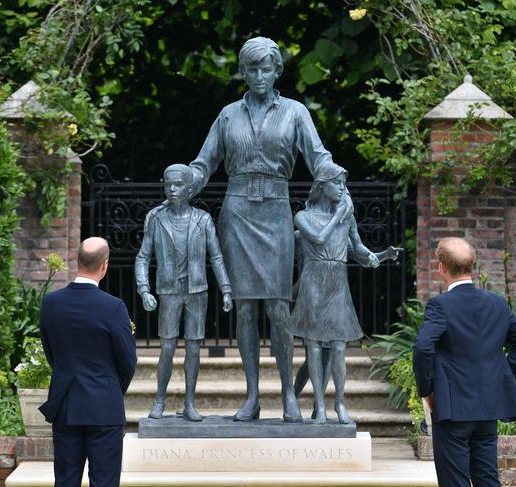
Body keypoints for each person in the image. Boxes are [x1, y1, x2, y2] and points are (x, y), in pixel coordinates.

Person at [175, 36, 354, 423]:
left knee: (278, 306)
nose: (258, 75)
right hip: (237, 214)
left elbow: (318, 157)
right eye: (251, 68)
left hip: (275, 213)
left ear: (277, 71)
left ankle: (289, 393)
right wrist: (182, 183)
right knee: (244, 309)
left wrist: (340, 186)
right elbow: (204, 163)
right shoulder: (228, 115)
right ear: (243, 71)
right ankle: (252, 396)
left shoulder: (294, 112)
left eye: (265, 68)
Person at [413, 237, 516, 487]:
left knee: (454, 482)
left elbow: (423, 347)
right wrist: (502, 376)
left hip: (452, 410)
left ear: (441, 267)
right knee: (487, 479)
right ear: (473, 265)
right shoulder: (497, 303)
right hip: (487, 407)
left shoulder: (440, 305)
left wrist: (427, 391)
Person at [289, 163, 401, 424]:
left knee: (339, 346)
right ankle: (319, 407)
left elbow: (359, 250)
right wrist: (339, 215)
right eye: (336, 183)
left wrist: (382, 255)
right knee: (314, 346)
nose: (341, 188)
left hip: (337, 282)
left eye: (343, 183)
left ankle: (339, 402)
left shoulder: (346, 218)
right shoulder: (303, 217)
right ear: (321, 186)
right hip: (313, 282)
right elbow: (317, 238)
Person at [135, 164, 233, 421]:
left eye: (178, 185)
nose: (172, 189)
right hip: (169, 291)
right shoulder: (156, 219)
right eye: (168, 185)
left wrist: (225, 288)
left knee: (193, 348)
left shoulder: (202, 220)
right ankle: (160, 400)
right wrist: (144, 290)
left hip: (197, 291)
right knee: (167, 347)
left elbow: (217, 257)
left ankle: (190, 403)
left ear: (190, 189)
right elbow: (143, 257)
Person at [39, 237, 137, 487]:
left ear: (77, 261)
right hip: (104, 407)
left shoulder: (51, 303)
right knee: (104, 482)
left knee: (66, 482)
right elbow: (127, 361)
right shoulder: (113, 307)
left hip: (66, 404)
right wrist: (110, 388)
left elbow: (51, 353)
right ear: (104, 265)